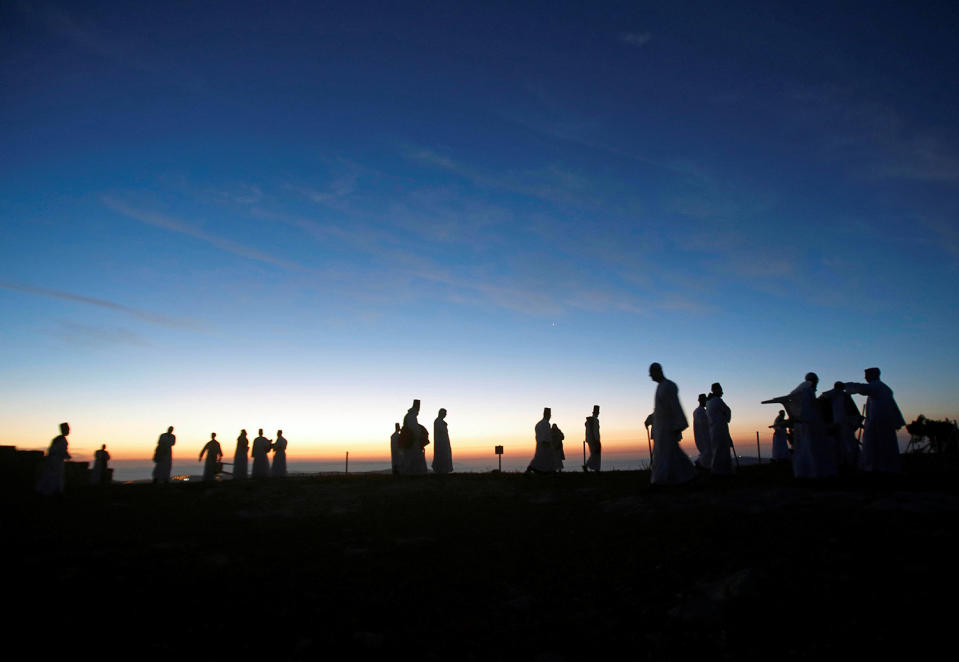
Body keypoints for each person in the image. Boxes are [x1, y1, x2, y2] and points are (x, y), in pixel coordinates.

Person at [769, 373, 837, 479]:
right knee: (809, 448)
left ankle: (808, 471)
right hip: (808, 426)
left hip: (806, 426)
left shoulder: (805, 392)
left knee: (806, 448)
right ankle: (811, 471)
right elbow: (806, 410)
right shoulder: (806, 392)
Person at [844, 367, 906, 473]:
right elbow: (893, 407)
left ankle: (876, 468)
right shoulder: (884, 388)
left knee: (875, 446)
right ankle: (884, 467)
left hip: (878, 424)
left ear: (873, 375)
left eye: (866, 375)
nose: (865, 378)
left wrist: (845, 385)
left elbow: (862, 388)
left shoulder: (876, 387)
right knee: (883, 446)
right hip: (882, 423)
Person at [648, 363, 695, 485]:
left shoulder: (669, 386)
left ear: (658, 372)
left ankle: (660, 480)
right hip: (661, 427)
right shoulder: (660, 387)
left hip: (668, 426)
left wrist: (677, 425)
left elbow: (675, 406)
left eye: (652, 373)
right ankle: (687, 475)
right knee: (669, 452)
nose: (651, 377)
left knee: (665, 453)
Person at [822, 381, 862, 471]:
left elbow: (824, 396)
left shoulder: (843, 395)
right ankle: (847, 463)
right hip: (840, 423)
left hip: (843, 423)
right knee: (844, 444)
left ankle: (850, 463)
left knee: (846, 444)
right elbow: (825, 395)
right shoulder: (839, 394)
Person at [706, 383, 734, 475]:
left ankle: (718, 470)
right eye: (720, 389)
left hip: (714, 430)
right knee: (722, 451)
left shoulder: (709, 402)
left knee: (717, 450)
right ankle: (722, 472)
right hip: (720, 429)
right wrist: (726, 417)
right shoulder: (717, 400)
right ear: (716, 390)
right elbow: (727, 410)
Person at [37, 422, 71, 495]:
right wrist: (67, 456)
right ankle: (50, 491)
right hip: (56, 461)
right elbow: (62, 451)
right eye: (68, 429)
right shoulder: (62, 440)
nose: (69, 430)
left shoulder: (57, 439)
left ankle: (45, 490)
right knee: (54, 476)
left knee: (49, 475)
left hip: (53, 459)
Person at [526, 407, 556, 474]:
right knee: (546, 458)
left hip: (540, 443)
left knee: (540, 458)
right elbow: (546, 434)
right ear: (547, 415)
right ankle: (549, 471)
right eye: (549, 415)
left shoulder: (538, 424)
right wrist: (548, 443)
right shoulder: (546, 424)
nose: (550, 416)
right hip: (545, 443)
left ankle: (541, 471)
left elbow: (537, 435)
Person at [401, 399, 428, 475]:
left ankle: (411, 473)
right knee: (413, 458)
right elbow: (414, 429)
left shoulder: (409, 415)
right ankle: (414, 473)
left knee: (410, 458)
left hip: (411, 441)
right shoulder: (411, 416)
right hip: (412, 441)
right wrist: (420, 437)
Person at [693, 394, 711, 470]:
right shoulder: (701, 412)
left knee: (706, 451)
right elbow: (705, 423)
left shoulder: (697, 411)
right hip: (704, 435)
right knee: (707, 451)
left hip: (701, 435)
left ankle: (701, 465)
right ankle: (700, 464)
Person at [432, 409, 453, 474]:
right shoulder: (438, 421)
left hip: (444, 443)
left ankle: (444, 470)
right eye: (444, 413)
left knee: (444, 457)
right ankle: (441, 471)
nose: (445, 415)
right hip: (441, 443)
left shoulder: (440, 421)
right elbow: (439, 433)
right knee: (441, 458)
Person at [584, 405, 601, 472]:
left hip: (589, 440)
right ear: (597, 413)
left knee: (594, 454)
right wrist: (597, 440)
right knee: (596, 454)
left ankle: (594, 468)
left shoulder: (588, 421)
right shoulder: (595, 420)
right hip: (594, 440)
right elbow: (595, 431)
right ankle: (589, 466)